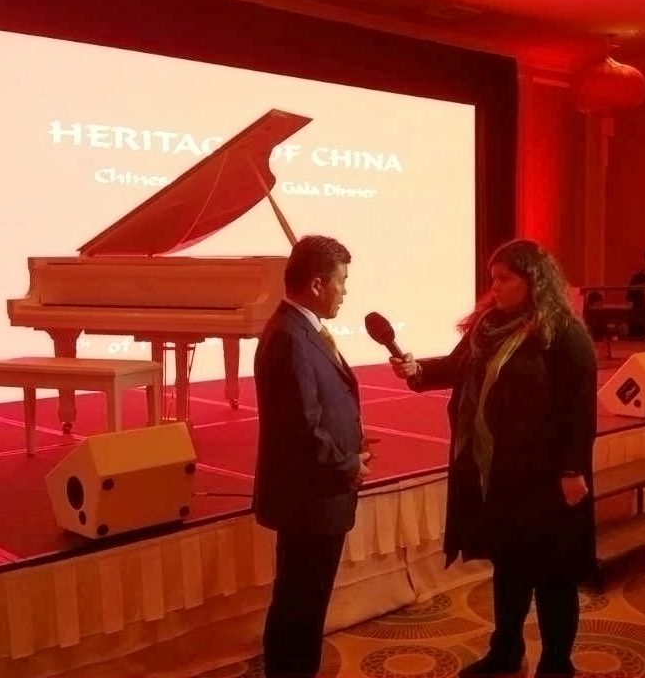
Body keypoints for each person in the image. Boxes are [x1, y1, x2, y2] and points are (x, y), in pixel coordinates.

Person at [389, 239, 598, 678]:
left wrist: (572, 469)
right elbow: (457, 367)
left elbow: (579, 409)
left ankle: (557, 663)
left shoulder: (564, 333)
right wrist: (418, 371)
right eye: (493, 278)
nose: (495, 286)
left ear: (533, 280)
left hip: (547, 475)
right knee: (510, 568)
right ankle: (506, 652)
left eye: (505, 278)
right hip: (499, 474)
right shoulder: (487, 326)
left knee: (553, 574)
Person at [251, 235, 372, 678]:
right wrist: (348, 465)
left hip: (317, 496)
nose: (346, 291)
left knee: (305, 603)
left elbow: (319, 408)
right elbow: (302, 429)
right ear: (318, 284)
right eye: (342, 281)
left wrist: (353, 439)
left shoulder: (302, 329)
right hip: (309, 499)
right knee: (300, 607)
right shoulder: (290, 337)